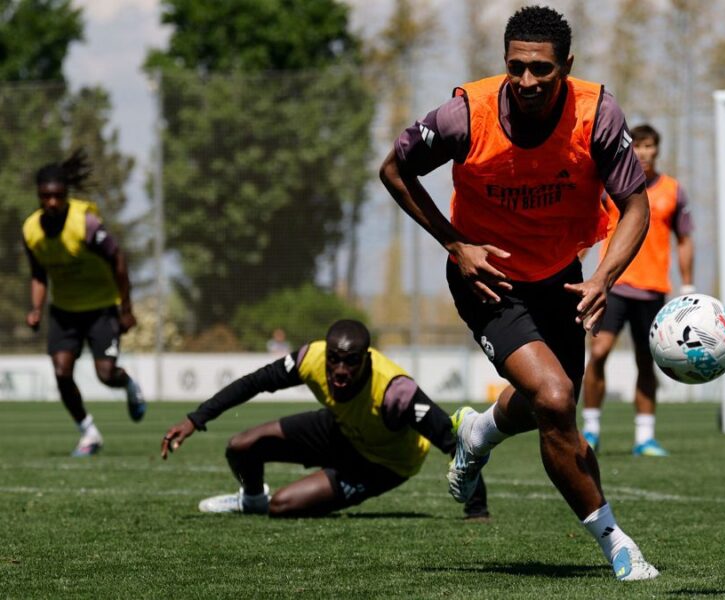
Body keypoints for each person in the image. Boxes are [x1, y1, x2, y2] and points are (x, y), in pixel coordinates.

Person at [379, 5, 658, 581]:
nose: (527, 81)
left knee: (551, 405)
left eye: (542, 70)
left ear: (567, 66)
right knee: (555, 400)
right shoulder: (463, 117)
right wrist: (456, 245)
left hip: (563, 277)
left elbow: (636, 206)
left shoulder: (597, 116)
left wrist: (604, 276)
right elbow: (395, 171)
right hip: (488, 281)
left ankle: (477, 431)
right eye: (516, 68)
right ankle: (616, 544)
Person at [160, 319, 488, 520]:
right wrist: (195, 419)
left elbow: (455, 441)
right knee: (241, 447)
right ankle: (252, 498)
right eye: (335, 360)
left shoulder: (394, 391)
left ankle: (270, 503)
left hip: (382, 464)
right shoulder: (311, 358)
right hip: (340, 430)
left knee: (283, 506)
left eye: (350, 362)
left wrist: (477, 510)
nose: (340, 370)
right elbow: (253, 383)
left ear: (366, 359)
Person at [22, 149, 146, 457]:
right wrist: (36, 308)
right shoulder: (31, 230)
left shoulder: (86, 224)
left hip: (101, 307)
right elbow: (38, 273)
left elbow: (118, 260)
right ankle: (89, 433)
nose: (52, 202)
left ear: (66, 193)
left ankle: (129, 384)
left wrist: (126, 309)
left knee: (106, 375)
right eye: (45, 196)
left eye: (58, 195)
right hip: (64, 311)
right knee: (62, 372)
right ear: (38, 195)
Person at [581, 124, 694, 457]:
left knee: (647, 362)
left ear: (658, 150)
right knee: (598, 354)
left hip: (653, 290)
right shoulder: (611, 186)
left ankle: (645, 437)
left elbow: (685, 239)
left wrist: (688, 284)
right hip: (613, 285)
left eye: (650, 146)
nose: (645, 153)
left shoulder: (673, 190)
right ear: (631, 150)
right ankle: (591, 430)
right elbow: (589, 227)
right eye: (639, 146)